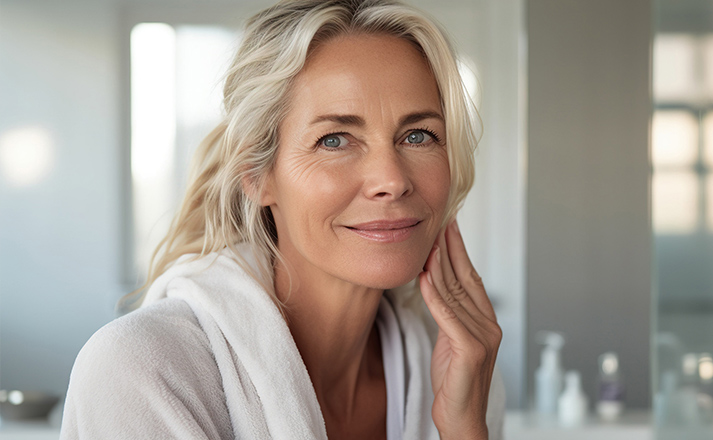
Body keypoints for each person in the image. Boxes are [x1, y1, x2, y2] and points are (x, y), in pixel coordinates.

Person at [60, 0, 505, 438]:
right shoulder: (144, 371)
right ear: (256, 176)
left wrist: (465, 430)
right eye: (334, 140)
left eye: (418, 135)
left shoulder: (461, 368)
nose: (391, 180)